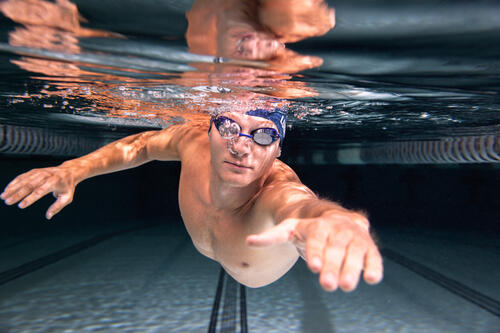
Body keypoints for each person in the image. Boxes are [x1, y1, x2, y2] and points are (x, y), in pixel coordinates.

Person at [1, 108, 383, 292]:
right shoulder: (193, 140)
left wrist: (331, 219)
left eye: (264, 135)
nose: (242, 147)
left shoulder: (276, 192)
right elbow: (143, 145)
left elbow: (301, 207)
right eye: (229, 126)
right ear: (210, 128)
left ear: (278, 147)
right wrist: (74, 169)